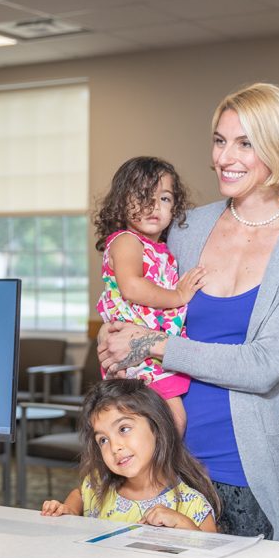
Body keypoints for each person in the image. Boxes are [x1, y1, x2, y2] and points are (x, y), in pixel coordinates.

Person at [98, 82, 279, 541]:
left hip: (242, 471)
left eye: (244, 143)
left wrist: (150, 344)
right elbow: (134, 293)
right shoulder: (185, 226)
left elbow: (262, 366)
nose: (223, 157)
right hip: (158, 465)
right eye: (219, 140)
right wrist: (110, 331)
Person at [93, 157, 207, 432]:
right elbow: (132, 287)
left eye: (164, 198)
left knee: (148, 424)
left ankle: (155, 471)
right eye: (142, 196)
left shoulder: (162, 249)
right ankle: (161, 474)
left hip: (152, 350)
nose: (154, 206)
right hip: (139, 354)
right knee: (172, 421)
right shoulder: (126, 241)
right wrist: (178, 295)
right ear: (121, 203)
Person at [40, 379, 218, 531]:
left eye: (124, 429)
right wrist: (70, 510)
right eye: (103, 440)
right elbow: (79, 494)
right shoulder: (99, 486)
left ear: (156, 427)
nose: (115, 447)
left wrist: (183, 524)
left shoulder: (193, 505)